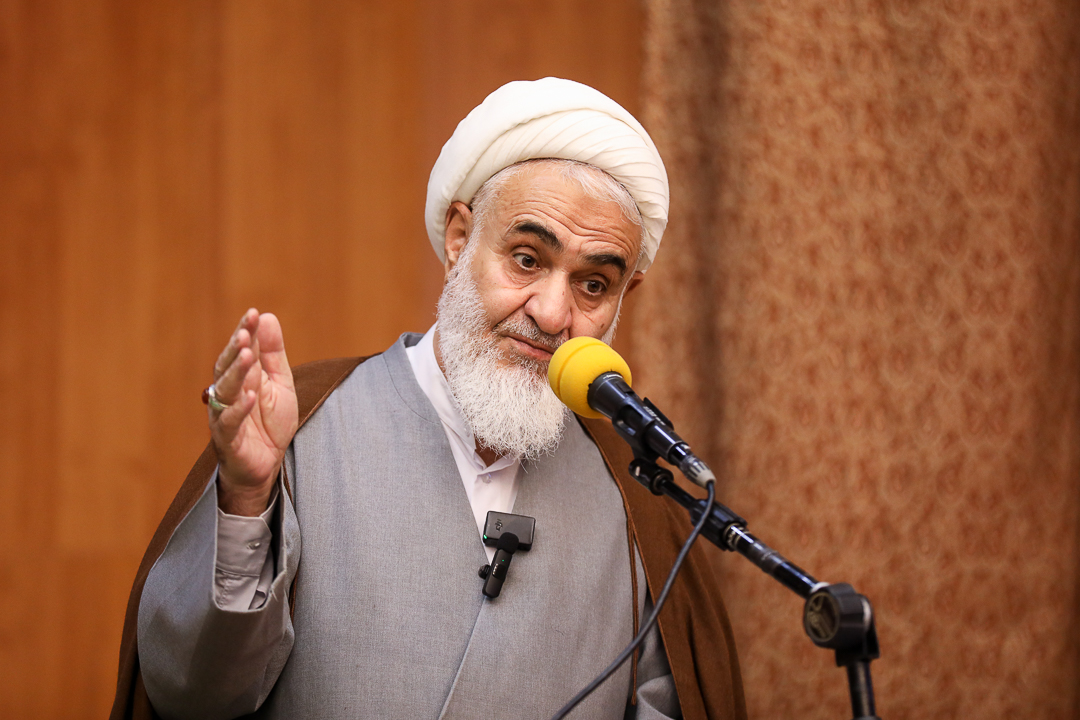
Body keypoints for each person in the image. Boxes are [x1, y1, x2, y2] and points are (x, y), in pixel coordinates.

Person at [111, 78, 746, 720]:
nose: (554, 315)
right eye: (527, 260)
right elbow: (196, 695)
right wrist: (248, 497)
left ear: (625, 296)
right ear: (459, 239)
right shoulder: (302, 431)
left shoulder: (639, 495)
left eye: (593, 285)